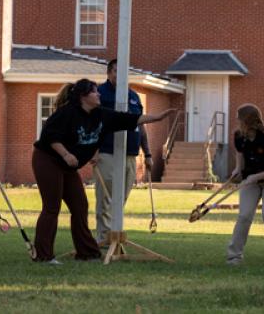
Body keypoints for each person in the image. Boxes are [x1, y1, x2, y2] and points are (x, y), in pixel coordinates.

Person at [32, 78, 174, 263]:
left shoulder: (101, 115)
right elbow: (49, 136)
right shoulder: (67, 113)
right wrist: (66, 154)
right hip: (48, 160)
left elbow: (128, 119)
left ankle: (87, 253)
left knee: (80, 206)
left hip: (68, 166)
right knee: (52, 207)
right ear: (83, 96)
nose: (99, 94)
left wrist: (157, 117)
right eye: (94, 91)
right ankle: (43, 255)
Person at [94, 59, 152, 245]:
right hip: (107, 151)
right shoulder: (99, 94)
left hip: (130, 154)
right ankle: (104, 238)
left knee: (121, 198)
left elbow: (141, 126)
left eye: (124, 72)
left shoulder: (134, 96)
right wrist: (92, 151)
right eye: (117, 71)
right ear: (109, 73)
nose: (120, 76)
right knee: (106, 197)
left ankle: (115, 234)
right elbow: (92, 124)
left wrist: (148, 154)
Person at [226, 104, 264, 267]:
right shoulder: (239, 136)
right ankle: (234, 256)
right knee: (244, 216)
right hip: (250, 180)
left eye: (239, 119)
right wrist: (238, 169)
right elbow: (239, 152)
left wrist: (256, 177)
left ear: (247, 121)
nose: (237, 122)